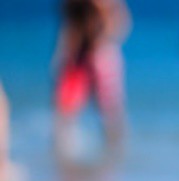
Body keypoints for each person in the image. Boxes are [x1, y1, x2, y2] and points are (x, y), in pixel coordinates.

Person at [53, 0, 131, 152]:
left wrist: (102, 35)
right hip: (77, 55)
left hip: (100, 52)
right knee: (65, 112)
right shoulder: (73, 5)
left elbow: (122, 25)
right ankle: (63, 158)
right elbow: (69, 26)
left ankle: (115, 154)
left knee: (111, 112)